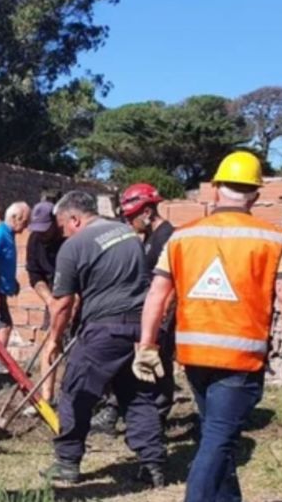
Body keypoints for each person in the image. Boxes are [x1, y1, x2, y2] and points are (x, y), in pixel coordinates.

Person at [133, 151, 282, 502]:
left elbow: (157, 295)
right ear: (256, 196)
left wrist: (148, 345)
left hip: (194, 357)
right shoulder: (272, 238)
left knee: (219, 438)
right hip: (240, 361)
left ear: (214, 190)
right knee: (217, 441)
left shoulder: (182, 237)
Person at [41, 190, 167, 489]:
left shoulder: (74, 247)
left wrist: (54, 341)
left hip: (103, 330)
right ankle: (153, 465)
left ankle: (67, 463)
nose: (61, 232)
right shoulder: (127, 233)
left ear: (74, 218)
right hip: (139, 328)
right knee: (138, 395)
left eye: (62, 226)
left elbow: (61, 304)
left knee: (76, 392)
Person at [92, 183, 177, 434]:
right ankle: (119, 412)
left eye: (132, 217)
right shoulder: (151, 237)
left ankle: (157, 419)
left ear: (147, 212)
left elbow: (175, 282)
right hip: (146, 311)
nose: (130, 223)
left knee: (159, 364)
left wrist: (161, 317)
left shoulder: (168, 237)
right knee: (131, 363)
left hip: (161, 313)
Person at [25, 200, 64, 404]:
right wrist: (50, 300)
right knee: (50, 344)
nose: (41, 234)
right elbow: (34, 273)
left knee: (81, 346)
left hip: (75, 293)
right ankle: (46, 398)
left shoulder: (68, 237)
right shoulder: (35, 240)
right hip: (52, 294)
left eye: (45, 229)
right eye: (37, 229)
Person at [0, 201, 30, 356]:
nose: (26, 226)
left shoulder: (9, 235)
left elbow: (3, 262)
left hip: (0, 291)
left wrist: (13, 282)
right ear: (14, 218)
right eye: (24, 221)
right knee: (4, 327)